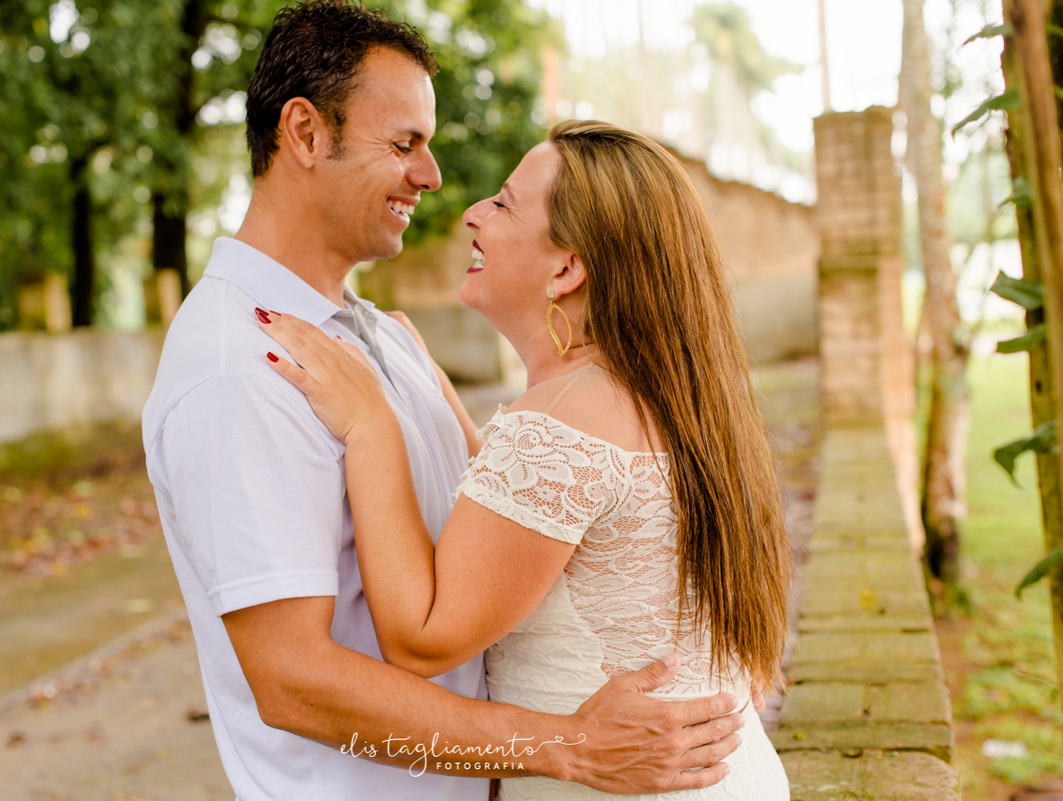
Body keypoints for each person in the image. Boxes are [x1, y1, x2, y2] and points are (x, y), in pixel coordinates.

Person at [141, 3, 746, 800]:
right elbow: (292, 679)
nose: (432, 179)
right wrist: (565, 746)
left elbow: (506, 530)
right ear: (305, 133)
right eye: (404, 145)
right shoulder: (240, 369)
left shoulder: (385, 340)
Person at [255, 119, 793, 800]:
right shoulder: (662, 396)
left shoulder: (561, 419)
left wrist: (373, 425)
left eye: (504, 203)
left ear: (567, 268)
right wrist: (433, 391)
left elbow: (422, 637)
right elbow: (539, 531)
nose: (474, 213)